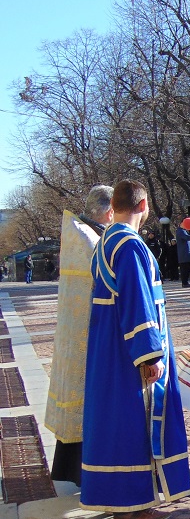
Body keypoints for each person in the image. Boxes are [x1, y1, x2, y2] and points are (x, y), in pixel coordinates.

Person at [80, 179, 190, 519]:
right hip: (126, 350)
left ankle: (120, 497)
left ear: (114, 206)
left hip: (110, 344)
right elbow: (137, 301)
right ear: (143, 206)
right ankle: (131, 505)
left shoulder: (105, 241)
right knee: (132, 423)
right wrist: (149, 355)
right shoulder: (129, 245)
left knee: (114, 422)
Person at [45, 185, 114, 486]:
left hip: (77, 332)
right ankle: (86, 471)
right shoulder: (93, 240)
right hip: (89, 333)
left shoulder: (80, 233)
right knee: (90, 402)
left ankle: (71, 470)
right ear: (110, 212)